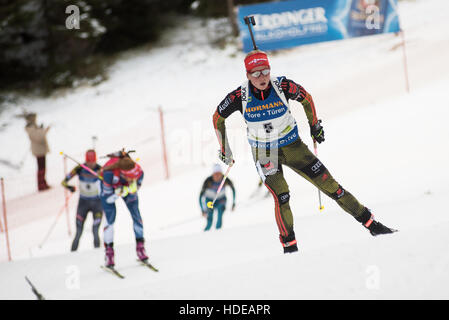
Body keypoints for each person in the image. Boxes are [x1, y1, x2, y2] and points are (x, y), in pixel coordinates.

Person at [212, 50, 397, 254]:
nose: (261, 77)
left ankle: (372, 225)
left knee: (332, 187)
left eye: (265, 71)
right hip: (265, 153)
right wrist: (224, 148)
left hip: (293, 147)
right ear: (247, 75)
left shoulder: (281, 85)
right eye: (255, 74)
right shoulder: (239, 96)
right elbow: (217, 118)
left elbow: (306, 98)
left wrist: (314, 126)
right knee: (281, 196)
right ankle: (290, 249)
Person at [99, 150, 149, 267]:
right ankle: (109, 253)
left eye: (134, 177)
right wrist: (117, 193)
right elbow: (107, 199)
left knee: (136, 215)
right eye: (130, 177)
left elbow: (137, 183)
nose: (133, 179)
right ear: (123, 174)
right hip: (111, 190)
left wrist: (132, 187)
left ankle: (140, 247)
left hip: (125, 188)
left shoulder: (138, 171)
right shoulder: (108, 174)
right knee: (110, 219)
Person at [61, 149, 103, 251]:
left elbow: (109, 182)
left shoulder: (100, 169)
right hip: (83, 203)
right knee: (79, 231)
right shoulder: (80, 168)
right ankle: (72, 254)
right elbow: (64, 182)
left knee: (95, 229)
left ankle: (97, 253)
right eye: (89, 162)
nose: (90, 164)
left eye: (92, 162)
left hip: (97, 203)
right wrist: (70, 187)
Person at [199, 164, 236, 231]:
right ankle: (204, 234)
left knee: (220, 213)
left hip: (221, 200)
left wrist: (233, 203)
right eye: (215, 174)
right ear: (212, 174)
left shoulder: (224, 179)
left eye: (219, 174)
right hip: (210, 201)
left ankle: (218, 232)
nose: (217, 176)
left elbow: (233, 189)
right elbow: (200, 196)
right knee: (210, 219)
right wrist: (203, 209)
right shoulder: (208, 181)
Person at [24, 113, 50, 191]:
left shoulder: (34, 127)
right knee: (41, 168)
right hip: (38, 150)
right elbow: (38, 137)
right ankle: (41, 184)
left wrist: (41, 129)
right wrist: (44, 131)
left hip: (40, 149)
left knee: (43, 167)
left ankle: (43, 183)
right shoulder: (31, 128)